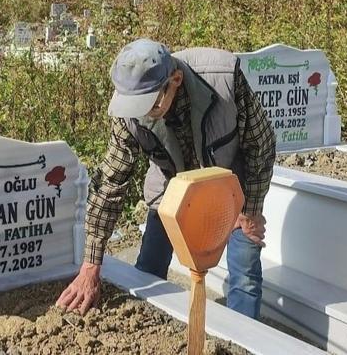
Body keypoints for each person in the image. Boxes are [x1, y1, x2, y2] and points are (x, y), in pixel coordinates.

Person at [57, 38, 275, 319]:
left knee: (244, 269)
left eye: (151, 104)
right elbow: (111, 182)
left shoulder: (225, 79)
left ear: (175, 80)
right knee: (150, 264)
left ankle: (244, 339)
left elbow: (261, 144)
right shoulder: (129, 110)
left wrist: (250, 210)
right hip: (171, 186)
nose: (143, 112)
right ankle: (145, 324)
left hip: (230, 185)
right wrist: (90, 265)